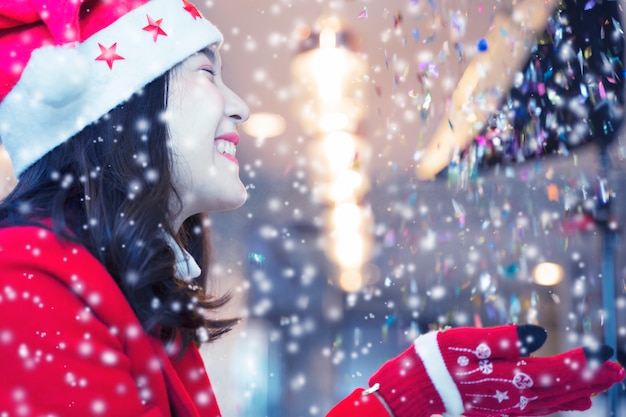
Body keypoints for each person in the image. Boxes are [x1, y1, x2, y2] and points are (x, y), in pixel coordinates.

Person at [0, 1, 623, 416]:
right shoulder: (26, 293)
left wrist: (405, 393)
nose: (239, 104)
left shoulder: (103, 297)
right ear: (122, 108)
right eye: (206, 73)